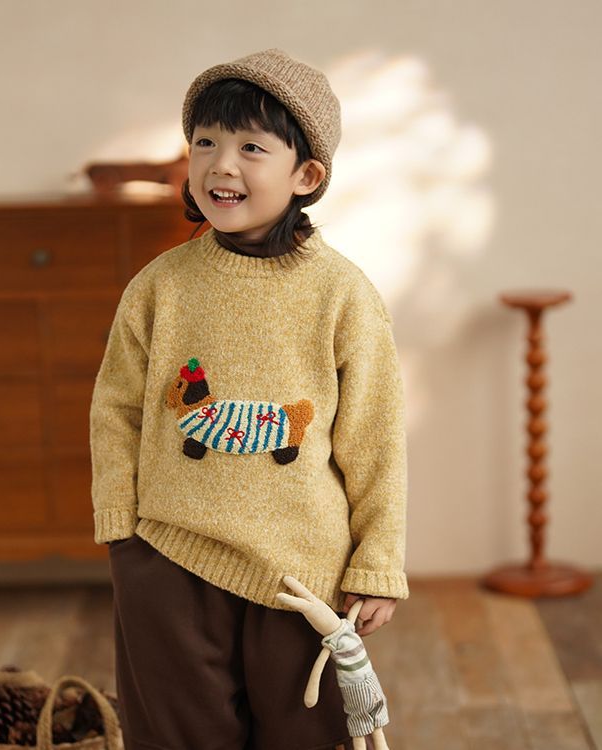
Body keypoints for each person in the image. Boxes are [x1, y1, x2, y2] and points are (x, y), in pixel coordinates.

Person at [90, 48, 408, 750]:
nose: (220, 165)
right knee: (177, 737)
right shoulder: (159, 286)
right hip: (167, 557)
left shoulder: (343, 295)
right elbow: (117, 407)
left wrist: (377, 561)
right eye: (205, 142)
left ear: (306, 175)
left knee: (304, 737)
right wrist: (121, 528)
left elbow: (375, 439)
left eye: (251, 148)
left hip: (302, 574)